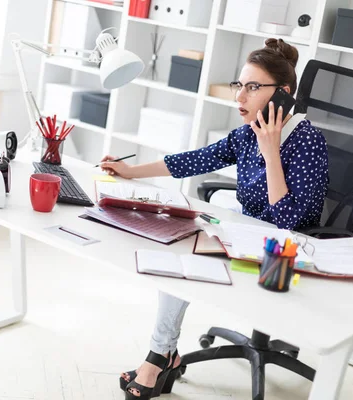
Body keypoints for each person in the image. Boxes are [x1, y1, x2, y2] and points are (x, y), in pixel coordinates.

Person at [99, 38, 329, 400]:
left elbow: (286, 221)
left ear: (283, 94)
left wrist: (272, 154)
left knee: (187, 255)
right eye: (240, 85)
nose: (240, 97)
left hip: (284, 257)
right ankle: (163, 353)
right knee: (180, 245)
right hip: (249, 236)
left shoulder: (308, 142)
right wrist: (131, 172)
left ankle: (160, 358)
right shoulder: (248, 133)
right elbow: (195, 159)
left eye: (253, 88)